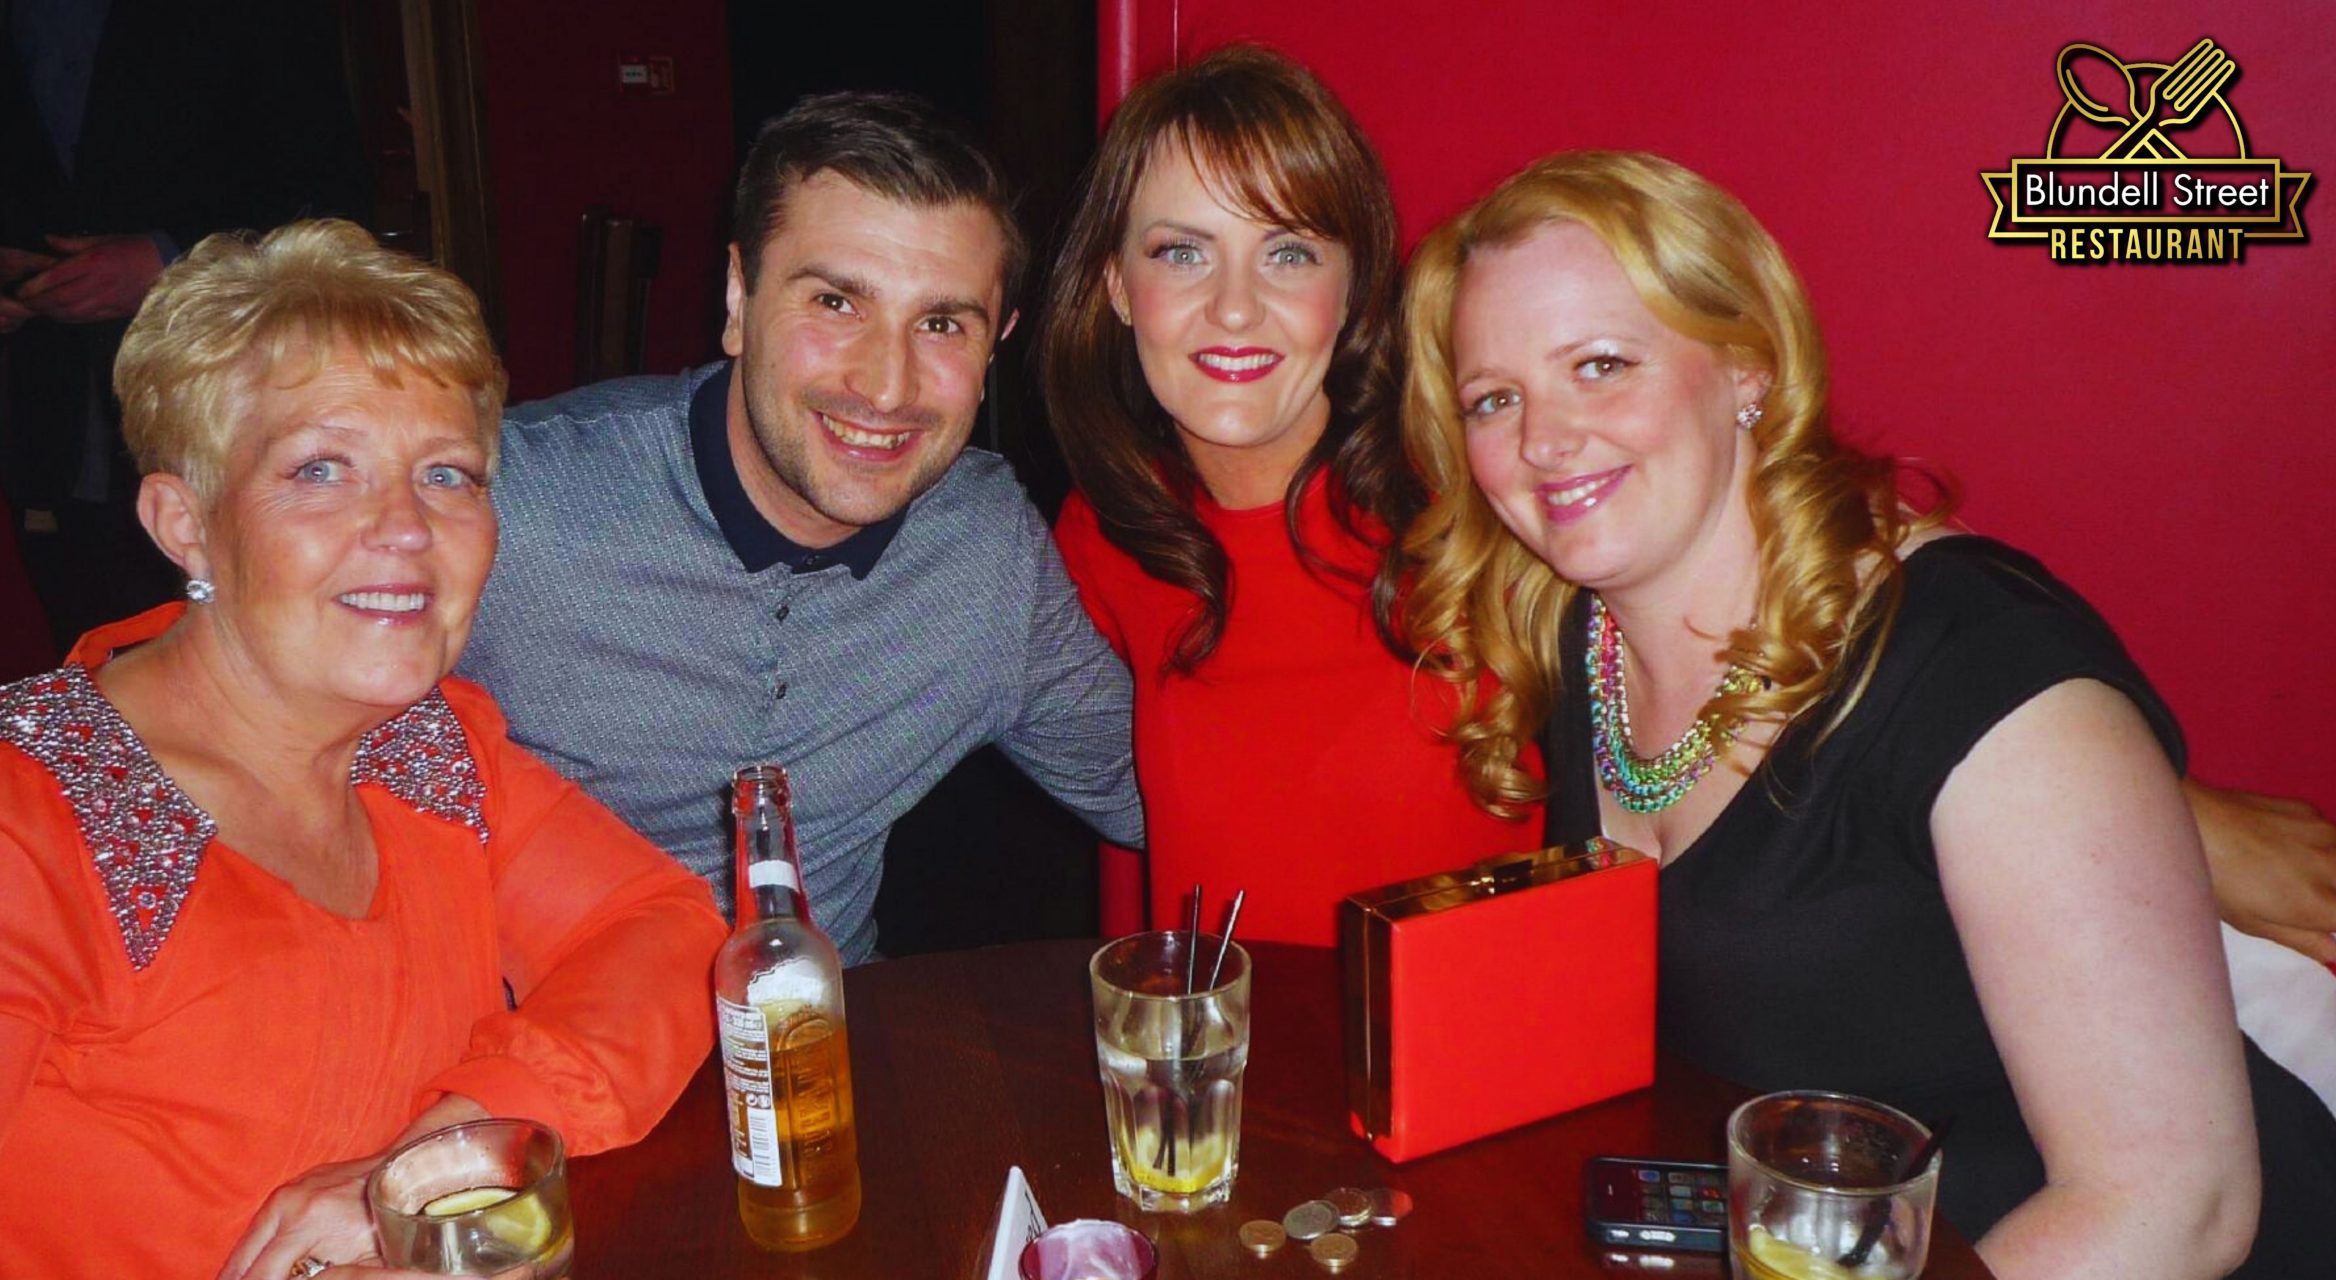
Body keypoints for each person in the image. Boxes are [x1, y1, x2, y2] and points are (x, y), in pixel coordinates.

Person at [1396, 150, 2336, 1276]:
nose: (1543, 441)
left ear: (1746, 367)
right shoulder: (1572, 632)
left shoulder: (1971, 663)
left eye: (1601, 365)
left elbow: (2177, 1203)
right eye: (1494, 399)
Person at [0, 221, 725, 1279]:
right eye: (320, 468)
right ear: (184, 523)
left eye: (447, 474)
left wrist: (437, 1155)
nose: (406, 527)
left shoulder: (427, 745)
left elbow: (664, 932)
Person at [457, 93, 1142, 966]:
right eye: (836, 302)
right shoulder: (509, 507)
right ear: (739, 297)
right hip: (529, 1035)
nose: (887, 386)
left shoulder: (985, 554)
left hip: (824, 1037)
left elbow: (1153, 796)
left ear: (996, 342)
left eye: (940, 324)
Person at [1039, 46, 1539, 947]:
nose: (1234, 307)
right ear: (1117, 287)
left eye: (1289, 252)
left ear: (1352, 290)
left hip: (1493, 1033)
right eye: (1182, 252)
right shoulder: (1108, 534)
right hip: (1221, 1038)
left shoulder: (1475, 503)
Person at [0, 0, 373, 652]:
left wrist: (172, 260)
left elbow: (333, 198)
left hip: (241, 408)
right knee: (107, 682)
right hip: (58, 432)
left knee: (285, 664)